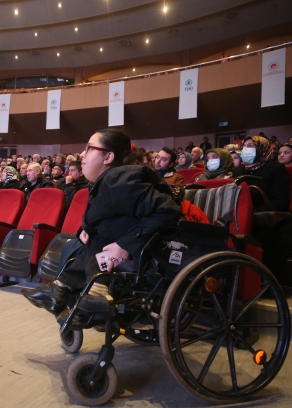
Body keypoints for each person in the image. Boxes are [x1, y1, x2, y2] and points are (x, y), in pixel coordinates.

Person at [21, 129, 182, 317]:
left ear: (108, 157)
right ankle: (64, 288)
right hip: (116, 245)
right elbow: (114, 217)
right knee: (93, 237)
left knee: (99, 239)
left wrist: (125, 245)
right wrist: (86, 229)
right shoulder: (107, 180)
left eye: (89, 148)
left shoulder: (118, 179)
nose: (82, 154)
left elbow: (167, 210)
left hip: (150, 249)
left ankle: (88, 290)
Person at [233, 135, 292, 274]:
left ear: (262, 149)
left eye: (251, 146)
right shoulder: (239, 171)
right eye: (244, 146)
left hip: (264, 216)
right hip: (238, 214)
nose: (246, 149)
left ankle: (265, 277)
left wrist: (250, 213)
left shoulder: (276, 169)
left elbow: (280, 201)